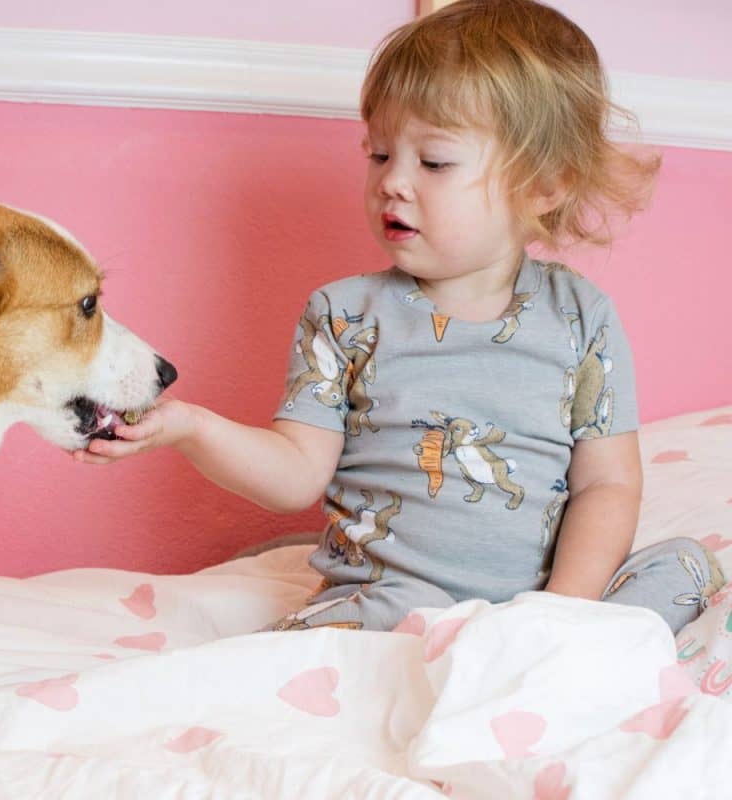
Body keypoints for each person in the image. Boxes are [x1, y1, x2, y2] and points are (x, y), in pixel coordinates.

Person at [74, 0, 724, 634]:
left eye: (434, 162)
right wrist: (193, 428)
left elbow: (608, 484)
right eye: (380, 155)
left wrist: (563, 610)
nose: (393, 181)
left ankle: (531, 658)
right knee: (387, 609)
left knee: (687, 570)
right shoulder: (346, 314)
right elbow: (297, 472)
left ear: (544, 185)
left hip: (537, 608)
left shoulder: (582, 316)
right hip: (395, 601)